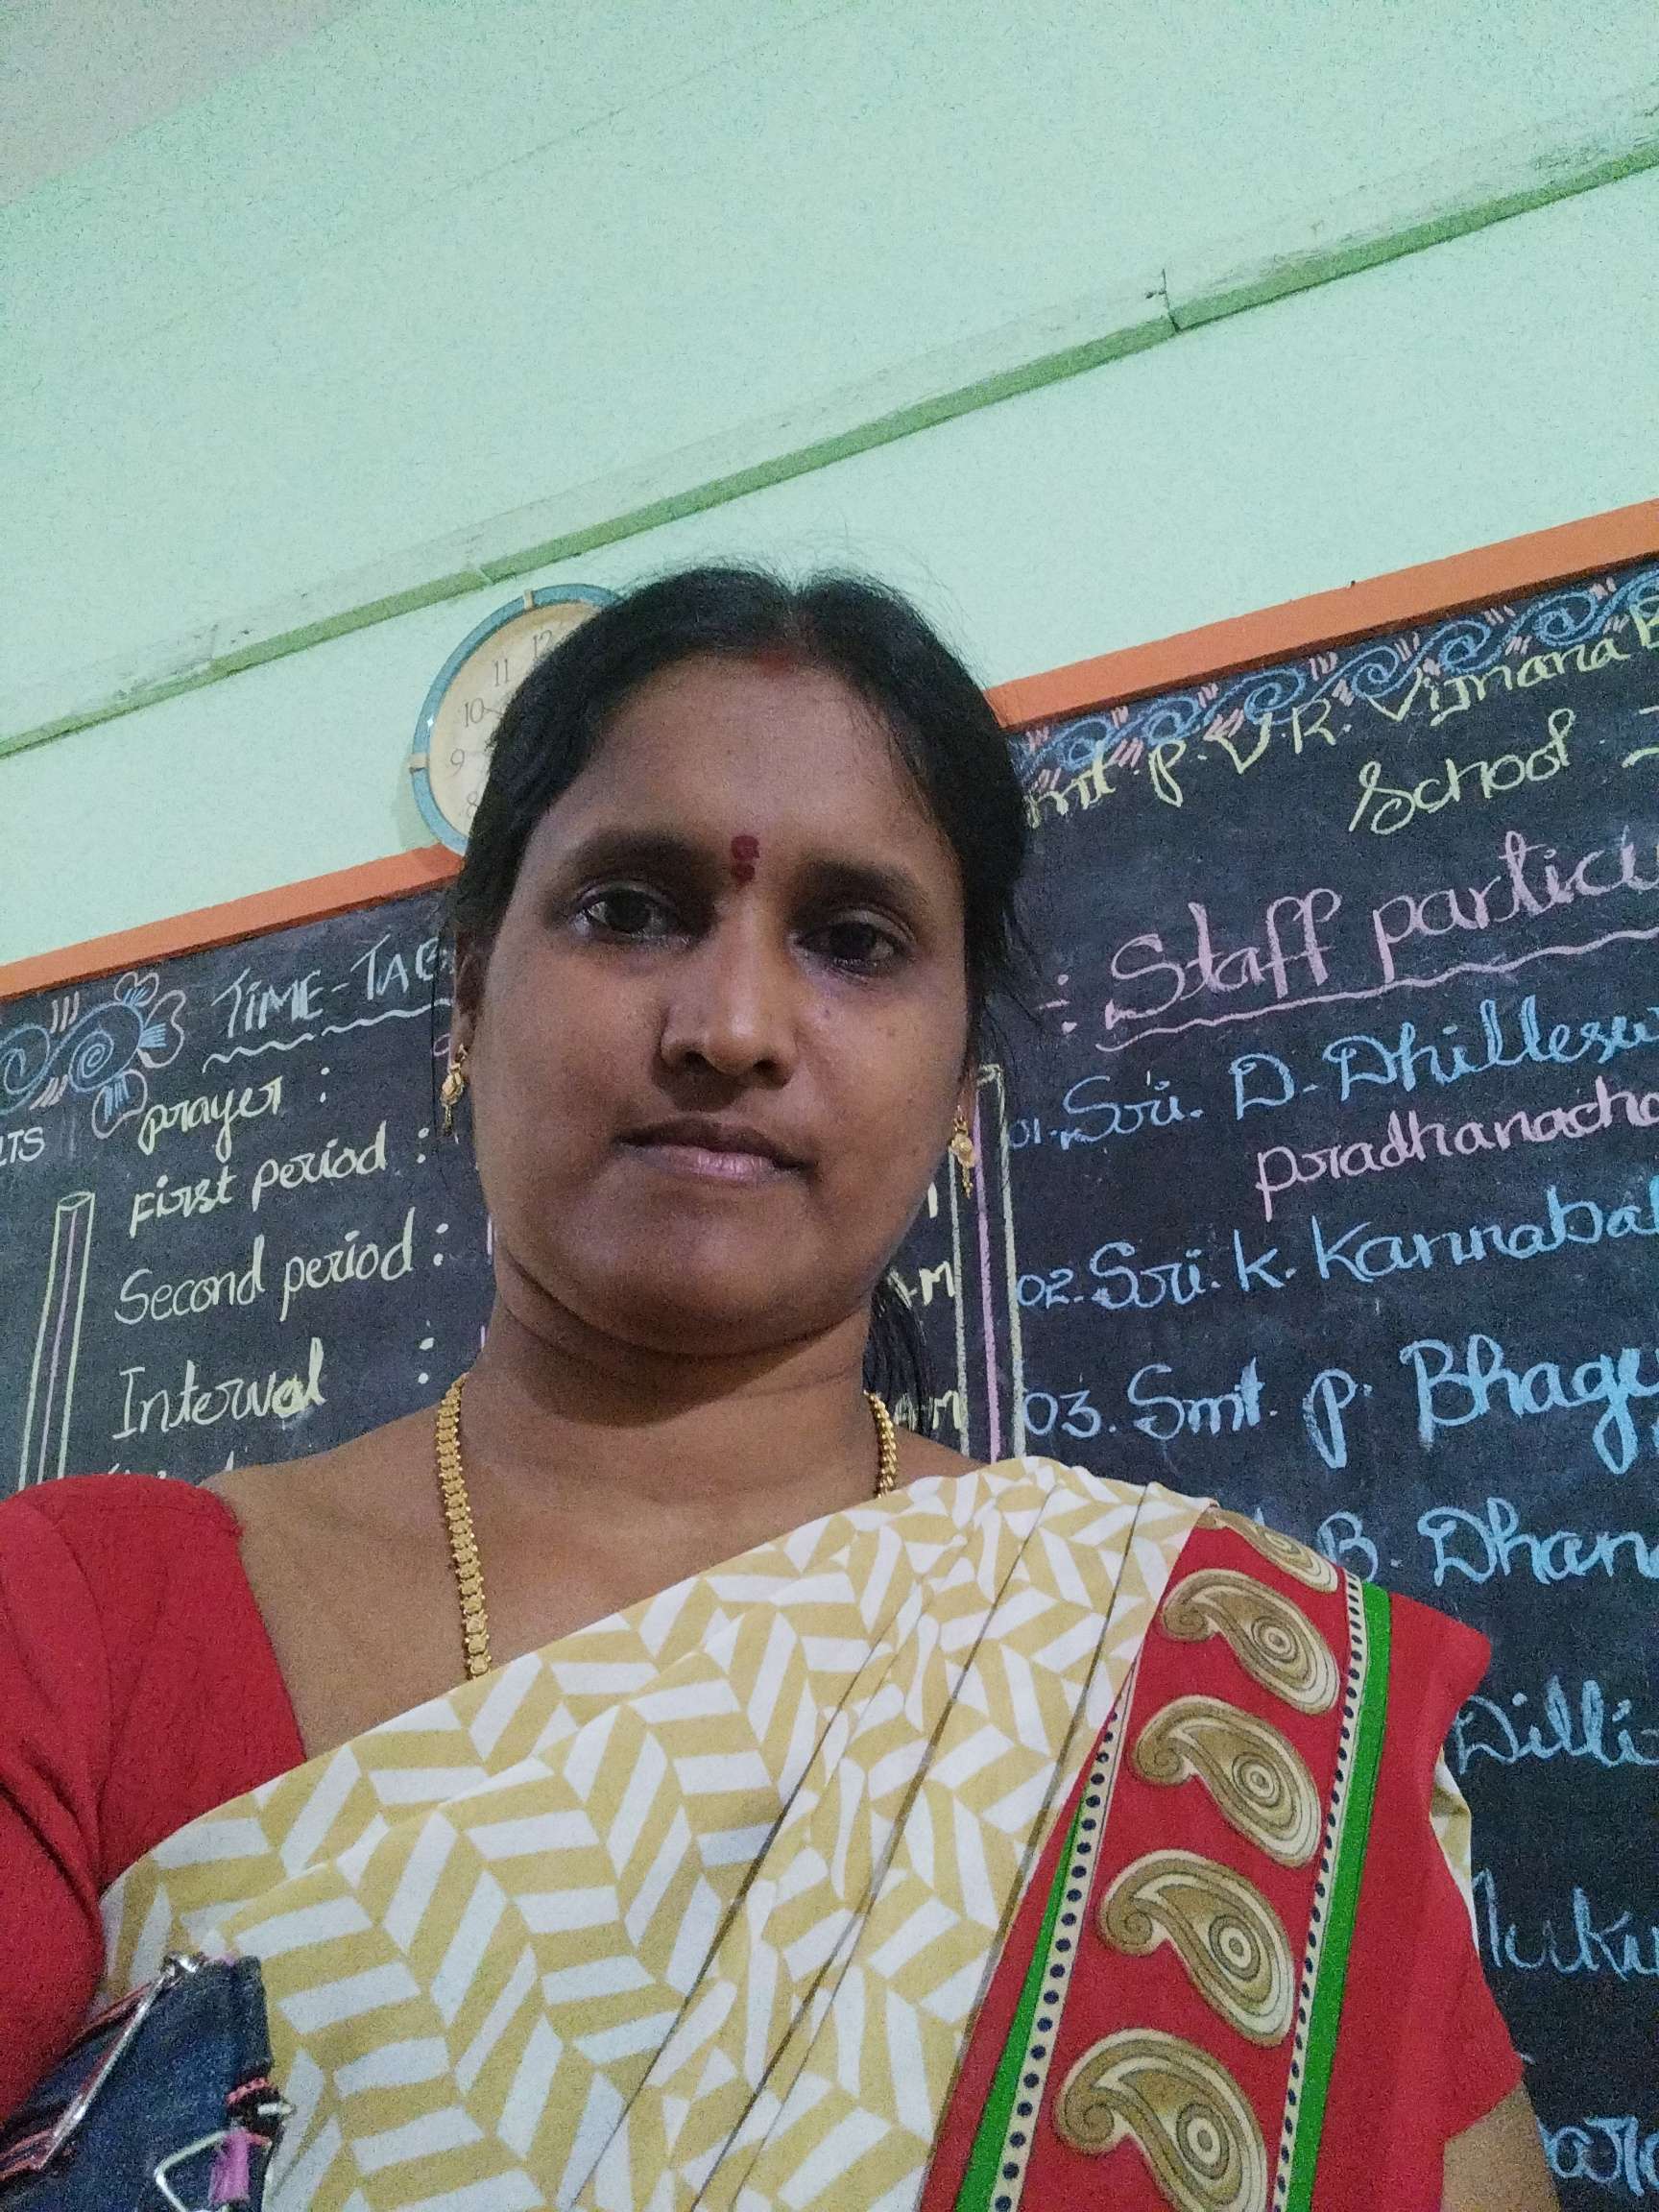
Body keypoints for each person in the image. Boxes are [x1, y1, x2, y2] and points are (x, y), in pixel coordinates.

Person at [0, 567, 1557, 2210]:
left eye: (853, 941)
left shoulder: (1200, 1682)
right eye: (630, 910)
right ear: (467, 994)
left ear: (961, 1090)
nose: (732, 1025)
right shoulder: (80, 1627)